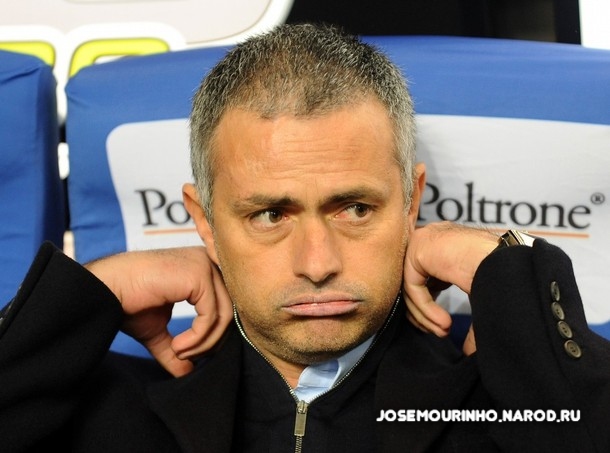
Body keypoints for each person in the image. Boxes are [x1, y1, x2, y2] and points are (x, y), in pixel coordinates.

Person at [1, 23, 609, 453]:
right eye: (270, 215)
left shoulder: (498, 406)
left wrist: (503, 270)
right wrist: (93, 291)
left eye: (356, 209)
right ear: (205, 223)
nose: (318, 264)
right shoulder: (109, 410)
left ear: (412, 204)